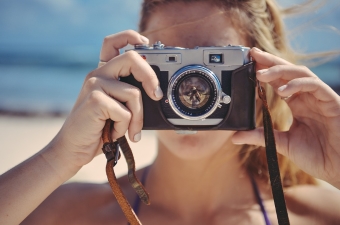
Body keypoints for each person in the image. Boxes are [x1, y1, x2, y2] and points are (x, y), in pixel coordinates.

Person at [1, 0, 340, 224]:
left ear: (260, 80)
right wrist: (58, 158)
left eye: (215, 61)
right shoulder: (62, 212)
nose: (189, 87)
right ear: (134, 70)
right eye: (170, 62)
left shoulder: (320, 215)